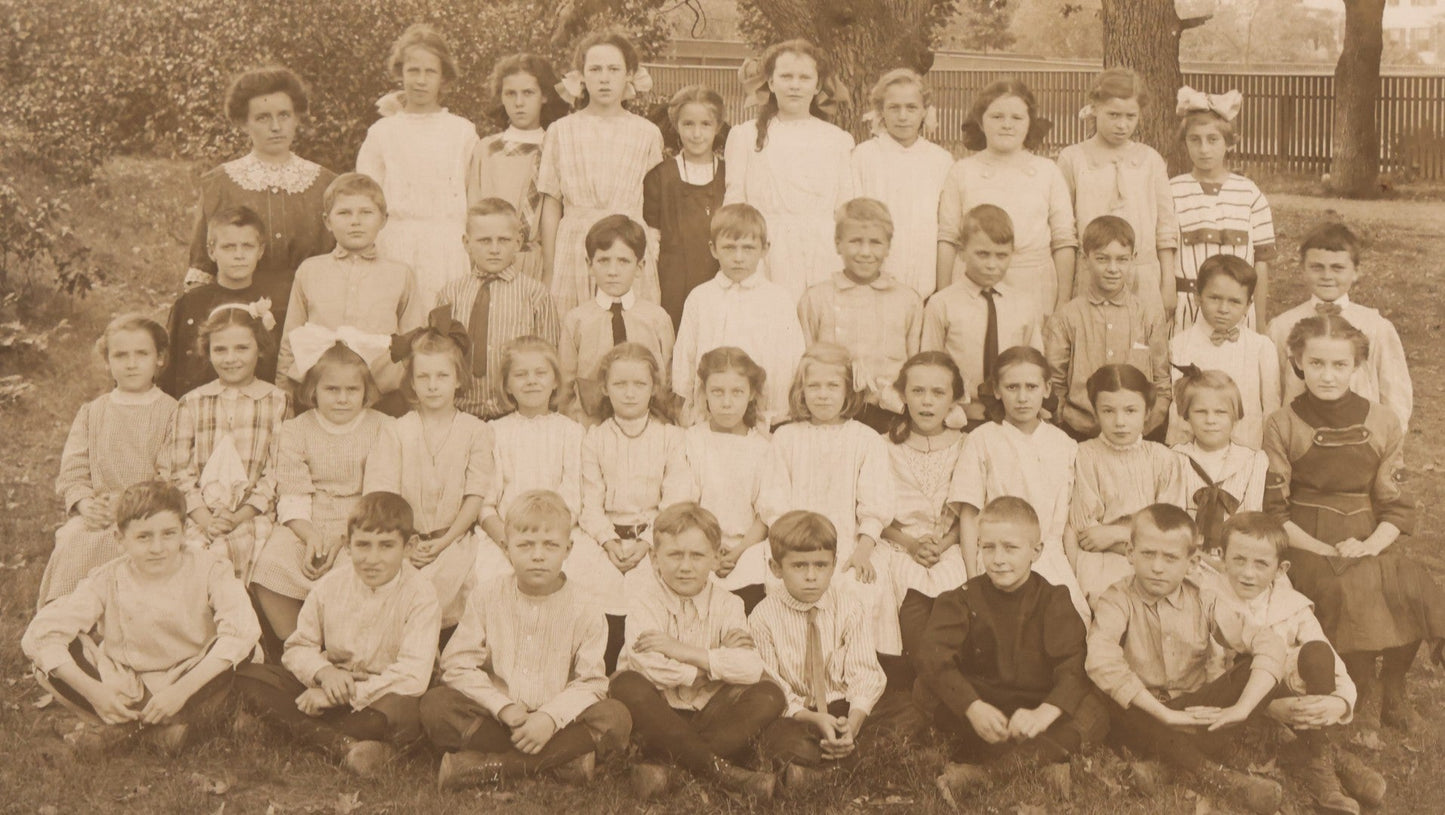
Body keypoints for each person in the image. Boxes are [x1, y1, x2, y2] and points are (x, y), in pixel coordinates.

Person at [1263, 315, 1443, 736]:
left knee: (1412, 585)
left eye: (1339, 365)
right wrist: (1326, 550)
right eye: (1318, 363)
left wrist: (1370, 545)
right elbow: (1276, 512)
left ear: (1357, 365)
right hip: (1306, 539)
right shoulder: (1282, 423)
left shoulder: (1382, 420)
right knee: (1346, 587)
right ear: (1298, 362)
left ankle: (1393, 691)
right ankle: (1360, 691)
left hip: (1366, 533)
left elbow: (1394, 505)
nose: (1328, 375)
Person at [23, 481, 260, 756]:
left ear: (184, 532)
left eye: (169, 534)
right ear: (120, 539)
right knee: (48, 656)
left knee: (240, 652)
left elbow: (242, 631)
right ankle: (152, 731)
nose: (157, 547)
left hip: (190, 677)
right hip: (127, 686)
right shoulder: (108, 578)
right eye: (143, 537)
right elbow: (41, 633)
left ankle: (126, 733)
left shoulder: (210, 568)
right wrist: (93, 692)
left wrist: (180, 691)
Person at [421, 490, 632, 789]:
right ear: (507, 548)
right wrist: (502, 707)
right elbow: (457, 666)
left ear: (568, 549)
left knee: (615, 716)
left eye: (550, 545)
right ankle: (561, 764)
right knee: (435, 704)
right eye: (525, 545)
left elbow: (592, 682)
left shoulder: (586, 606)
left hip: (558, 722)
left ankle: (493, 767)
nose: (537, 555)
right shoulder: (486, 596)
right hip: (499, 720)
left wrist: (549, 717)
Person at [1085, 504, 1287, 815]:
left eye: (1170, 558)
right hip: (1143, 712)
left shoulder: (1203, 598)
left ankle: (1162, 766)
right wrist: (1166, 716)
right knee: (1110, 699)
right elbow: (1101, 658)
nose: (1157, 568)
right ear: (1129, 553)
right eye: (1148, 554)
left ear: (1192, 562)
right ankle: (1218, 778)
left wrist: (1241, 709)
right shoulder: (1117, 599)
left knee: (1257, 668)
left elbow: (1267, 643)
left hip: (1193, 708)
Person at [235, 492, 440, 777]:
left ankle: (291, 729)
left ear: (409, 546)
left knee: (405, 712)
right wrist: (324, 674)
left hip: (379, 694)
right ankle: (341, 744)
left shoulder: (421, 594)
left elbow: (413, 675)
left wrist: (342, 696)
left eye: (386, 546)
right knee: (249, 676)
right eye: (363, 545)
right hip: (329, 684)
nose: (372, 559)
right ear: (347, 544)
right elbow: (297, 647)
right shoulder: (331, 585)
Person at [917, 497, 1105, 806]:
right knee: (925, 687)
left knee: (1094, 704)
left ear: (1037, 551)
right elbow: (933, 656)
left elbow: (1073, 663)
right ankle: (1043, 760)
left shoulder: (1054, 599)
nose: (998, 559)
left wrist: (1044, 713)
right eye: (988, 547)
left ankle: (990, 772)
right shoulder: (961, 599)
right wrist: (972, 707)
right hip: (985, 712)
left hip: (1036, 712)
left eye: (1010, 548)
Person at [608, 503, 784, 802]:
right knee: (625, 684)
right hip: (657, 711)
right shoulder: (643, 602)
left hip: (710, 713)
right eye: (675, 555)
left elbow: (750, 669)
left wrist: (680, 651)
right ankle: (721, 770)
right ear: (654, 558)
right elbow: (650, 667)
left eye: (697, 555)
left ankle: (669, 769)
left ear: (716, 558)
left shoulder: (729, 604)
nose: (685, 566)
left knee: (770, 694)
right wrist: (710, 666)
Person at [1207, 513, 1381, 815]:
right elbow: (1210, 670)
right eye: (1239, 560)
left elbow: (1328, 656)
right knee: (1250, 661)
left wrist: (1339, 703)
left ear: (1280, 569)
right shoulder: (1210, 599)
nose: (1248, 573)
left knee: (1315, 652)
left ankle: (1321, 765)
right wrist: (1265, 706)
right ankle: (1328, 761)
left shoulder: (1290, 604)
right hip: (1238, 700)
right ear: (1222, 558)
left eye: (1261, 564)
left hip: (1294, 698)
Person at [752, 510, 917, 790]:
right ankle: (845, 764)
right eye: (799, 566)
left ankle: (823, 771)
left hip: (844, 705)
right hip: (799, 712)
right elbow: (774, 685)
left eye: (820, 565)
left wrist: (852, 724)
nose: (811, 577)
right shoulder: (762, 617)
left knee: (911, 711)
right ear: (776, 568)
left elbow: (864, 672)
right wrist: (816, 719)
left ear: (834, 564)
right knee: (776, 738)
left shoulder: (850, 607)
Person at [250, 343, 401, 648]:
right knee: (270, 565)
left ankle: (344, 646)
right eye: (332, 389)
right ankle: (297, 645)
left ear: (366, 391)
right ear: (313, 390)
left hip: (362, 522)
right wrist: (310, 536)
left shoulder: (383, 427)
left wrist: (345, 536)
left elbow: (379, 492)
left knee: (355, 569)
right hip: (307, 521)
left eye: (352, 390)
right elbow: (293, 490)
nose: (342, 399)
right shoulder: (296, 429)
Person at [758, 343, 899, 656]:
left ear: (848, 392)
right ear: (801, 390)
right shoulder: (786, 437)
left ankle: (852, 672)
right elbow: (774, 504)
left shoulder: (865, 439)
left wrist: (863, 551)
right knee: (791, 585)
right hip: (795, 544)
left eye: (832, 386)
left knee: (854, 586)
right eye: (814, 386)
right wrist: (793, 549)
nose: (822, 394)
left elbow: (875, 506)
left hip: (851, 543)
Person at [37, 315, 177, 607]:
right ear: (107, 362)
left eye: (142, 354)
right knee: (74, 540)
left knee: (134, 552)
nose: (131, 363)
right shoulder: (93, 412)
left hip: (149, 514)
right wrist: (85, 504)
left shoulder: (172, 412)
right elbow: (73, 471)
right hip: (97, 516)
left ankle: (121, 631)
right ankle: (67, 627)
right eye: (120, 355)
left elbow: (170, 474)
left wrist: (126, 505)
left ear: (159, 358)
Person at [575, 343, 692, 671]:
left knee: (648, 593)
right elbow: (590, 504)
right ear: (605, 388)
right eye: (620, 385)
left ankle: (643, 671)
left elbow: (675, 499)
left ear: (653, 388)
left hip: (654, 537)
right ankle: (599, 670)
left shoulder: (670, 437)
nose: (629, 394)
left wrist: (646, 543)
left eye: (639, 385)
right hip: (606, 537)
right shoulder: (594, 439)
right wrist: (609, 541)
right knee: (591, 587)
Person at [950, 346, 1090, 622]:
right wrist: (972, 578)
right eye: (1012, 387)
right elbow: (969, 514)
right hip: (996, 558)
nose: (1023, 397)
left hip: (1048, 557)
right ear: (998, 390)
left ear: (1047, 388)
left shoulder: (1064, 444)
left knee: (1070, 623)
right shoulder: (982, 439)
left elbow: (1069, 523)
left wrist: (1071, 573)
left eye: (1031, 386)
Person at [539, 31, 664, 315]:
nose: (604, 78)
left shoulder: (646, 133)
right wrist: (548, 268)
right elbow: (551, 203)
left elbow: (655, 204)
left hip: (628, 244)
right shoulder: (561, 131)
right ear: (581, 75)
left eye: (614, 69)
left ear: (629, 74)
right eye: (595, 69)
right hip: (575, 247)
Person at [183, 66, 336, 299]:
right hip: (237, 316)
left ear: (296, 118)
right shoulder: (219, 184)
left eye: (284, 115)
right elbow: (201, 269)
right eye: (263, 117)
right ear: (244, 123)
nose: (276, 127)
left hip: (310, 311)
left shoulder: (326, 184)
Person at [276, 173, 424, 409]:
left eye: (366, 213)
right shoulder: (310, 270)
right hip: (321, 395)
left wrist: (414, 406)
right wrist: (284, 399)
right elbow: (291, 340)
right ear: (327, 221)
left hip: (381, 395)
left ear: (383, 220)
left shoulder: (400, 274)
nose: (355, 221)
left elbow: (413, 345)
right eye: (344, 213)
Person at [723, 38, 856, 301]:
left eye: (804, 78)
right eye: (786, 76)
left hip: (822, 253)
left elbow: (845, 208)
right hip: (765, 254)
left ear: (817, 85)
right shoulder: (744, 136)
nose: (795, 85)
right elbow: (734, 206)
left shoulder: (837, 139)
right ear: (771, 83)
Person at [356, 23, 478, 305]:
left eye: (430, 72)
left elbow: (474, 195)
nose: (421, 80)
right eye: (413, 71)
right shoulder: (382, 132)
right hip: (394, 244)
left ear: (444, 78)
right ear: (401, 74)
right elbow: (366, 196)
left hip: (448, 245)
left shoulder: (462, 131)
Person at [937, 79, 1076, 318]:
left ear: (1030, 122)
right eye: (997, 117)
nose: (1007, 125)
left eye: (1017, 118)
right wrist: (943, 296)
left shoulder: (1047, 171)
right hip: (973, 284)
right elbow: (948, 238)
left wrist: (1063, 301)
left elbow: (1063, 240)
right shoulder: (962, 171)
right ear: (980, 121)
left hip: (1033, 284)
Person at [172, 304, 291, 580]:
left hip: (251, 516)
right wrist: (205, 519)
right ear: (208, 351)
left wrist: (238, 517)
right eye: (220, 350)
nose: (231, 358)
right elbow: (178, 471)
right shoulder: (192, 402)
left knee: (226, 554)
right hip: (198, 515)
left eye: (241, 348)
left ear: (259, 348)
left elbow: (277, 470)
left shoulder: (276, 401)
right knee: (187, 557)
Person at [391, 326, 494, 630]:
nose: (433, 386)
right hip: (405, 542)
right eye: (423, 377)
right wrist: (407, 543)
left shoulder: (476, 431)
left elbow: (475, 495)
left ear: (458, 378)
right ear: (412, 381)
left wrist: (444, 542)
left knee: (457, 582)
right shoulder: (397, 431)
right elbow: (384, 495)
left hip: (453, 541)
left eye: (442, 376)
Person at [1266, 221, 1412, 430]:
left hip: (1361, 437)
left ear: (1355, 271)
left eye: (1338, 268)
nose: (1327, 276)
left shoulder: (1377, 327)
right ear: (1303, 269)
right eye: (1317, 267)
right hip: (1299, 440)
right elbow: (1273, 392)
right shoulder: (1281, 327)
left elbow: (1395, 394)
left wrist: (1391, 443)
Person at [671, 203, 804, 428]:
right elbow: (686, 354)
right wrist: (687, 407)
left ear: (764, 249)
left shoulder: (779, 298)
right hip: (712, 413)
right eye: (729, 248)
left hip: (765, 415)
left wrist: (781, 413)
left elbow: (792, 359)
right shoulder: (701, 297)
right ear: (714, 249)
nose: (739, 257)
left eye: (748, 248)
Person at [797, 198, 923, 434]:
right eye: (855, 241)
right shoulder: (816, 299)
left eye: (875, 242)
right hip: (834, 415)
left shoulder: (908, 300)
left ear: (888, 246)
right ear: (838, 244)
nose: (865, 252)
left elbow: (916, 364)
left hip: (891, 416)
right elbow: (806, 363)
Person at [1057, 68, 1177, 316]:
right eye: (1113, 114)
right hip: (1092, 275)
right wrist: (1065, 290)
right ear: (1094, 108)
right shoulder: (1073, 159)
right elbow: (1064, 230)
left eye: (1130, 116)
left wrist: (1168, 283)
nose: (1122, 125)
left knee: (1140, 347)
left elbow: (1165, 227)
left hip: (1142, 277)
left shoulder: (1150, 160)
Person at [1067, 364, 1187, 602]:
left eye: (1131, 411)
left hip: (1154, 557)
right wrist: (1123, 541)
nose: (1120, 421)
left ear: (1147, 411)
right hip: (1100, 561)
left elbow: (1170, 526)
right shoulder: (1084, 455)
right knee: (1110, 600)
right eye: (1108, 411)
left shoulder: (1164, 459)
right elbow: (1088, 533)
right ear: (1096, 412)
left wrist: (1117, 533)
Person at [1045, 215, 1171, 442]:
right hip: (1080, 432)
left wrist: (1146, 425)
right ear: (1085, 259)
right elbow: (1055, 382)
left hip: (1138, 434)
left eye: (1122, 260)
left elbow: (1162, 381)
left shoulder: (1148, 314)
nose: (1112, 268)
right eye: (1102, 259)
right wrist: (1062, 420)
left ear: (1133, 259)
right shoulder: (1068, 316)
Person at [434, 198, 560, 421]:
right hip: (460, 414)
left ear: (518, 241)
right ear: (466, 243)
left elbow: (548, 359)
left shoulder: (536, 295)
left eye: (503, 240)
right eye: (484, 240)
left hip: (516, 415)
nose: (494, 249)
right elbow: (440, 358)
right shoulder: (449, 294)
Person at [475, 337, 584, 583]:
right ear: (507, 386)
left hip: (556, 533)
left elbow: (573, 497)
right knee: (490, 575)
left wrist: (546, 539)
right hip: (505, 535)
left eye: (541, 373)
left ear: (555, 381)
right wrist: (507, 539)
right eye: (521, 374)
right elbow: (485, 502)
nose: (531, 381)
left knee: (576, 573)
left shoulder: (571, 432)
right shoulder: (493, 432)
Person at [922, 204, 1042, 427]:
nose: (992, 265)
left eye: (1001, 256)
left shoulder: (1024, 305)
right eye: (982, 254)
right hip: (959, 418)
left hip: (1013, 418)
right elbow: (930, 368)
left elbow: (1036, 366)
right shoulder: (942, 304)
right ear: (961, 251)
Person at [883, 353, 968, 662]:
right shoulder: (882, 447)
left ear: (954, 399)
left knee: (955, 603)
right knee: (912, 606)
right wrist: (911, 544)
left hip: (953, 544)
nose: (927, 402)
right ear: (903, 395)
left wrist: (942, 544)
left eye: (938, 393)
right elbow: (873, 512)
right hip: (899, 544)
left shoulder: (967, 445)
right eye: (917, 391)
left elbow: (972, 512)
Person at [1171, 85, 1275, 333]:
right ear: (1184, 143)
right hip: (1185, 312)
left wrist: (1258, 322)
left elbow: (1261, 264)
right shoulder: (1171, 192)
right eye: (1194, 140)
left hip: (1237, 314)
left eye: (1213, 140)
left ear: (1230, 143)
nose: (1204, 149)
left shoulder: (1250, 194)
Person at [850, 68, 954, 299]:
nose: (903, 116)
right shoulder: (864, 156)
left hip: (925, 282)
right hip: (873, 280)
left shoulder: (941, 160)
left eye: (911, 107)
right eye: (894, 108)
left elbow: (946, 227)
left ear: (924, 111)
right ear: (880, 112)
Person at [559, 215, 674, 424]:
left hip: (647, 428)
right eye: (603, 261)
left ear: (640, 267)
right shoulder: (576, 321)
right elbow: (565, 389)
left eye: (623, 261)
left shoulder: (657, 319)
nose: (613, 271)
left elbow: (667, 383)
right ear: (589, 265)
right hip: (590, 428)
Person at [684, 347, 772, 613]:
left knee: (751, 593)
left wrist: (740, 551)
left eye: (737, 392)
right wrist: (710, 548)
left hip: (747, 547)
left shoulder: (763, 448)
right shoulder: (691, 441)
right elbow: (686, 503)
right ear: (704, 394)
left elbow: (766, 512)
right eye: (717, 392)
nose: (726, 402)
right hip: (699, 543)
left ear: (751, 394)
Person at [467, 53, 569, 281]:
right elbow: (474, 208)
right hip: (491, 259)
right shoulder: (487, 149)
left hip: (539, 261)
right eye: (510, 94)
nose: (519, 103)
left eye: (528, 93)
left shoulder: (556, 147)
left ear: (544, 96)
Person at [163, 206, 283, 397]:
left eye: (247, 246)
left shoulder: (273, 304)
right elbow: (172, 367)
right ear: (211, 251)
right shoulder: (189, 303)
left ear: (260, 251)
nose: (239, 255)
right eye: (228, 247)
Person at [1167, 254, 1280, 448]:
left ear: (1248, 306)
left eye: (1235, 302)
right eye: (1214, 298)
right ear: (1197, 298)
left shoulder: (1261, 347)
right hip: (1189, 454)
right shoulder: (1178, 345)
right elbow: (1176, 411)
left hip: (1246, 452)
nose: (1223, 309)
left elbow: (1271, 409)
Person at [644, 84, 728, 328]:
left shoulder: (728, 174)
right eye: (688, 124)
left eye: (705, 124)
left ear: (718, 127)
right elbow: (652, 236)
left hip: (718, 276)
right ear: (676, 126)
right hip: (672, 282)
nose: (696, 134)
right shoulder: (660, 176)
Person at [1170, 369, 1268, 559]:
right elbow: (1172, 519)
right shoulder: (1175, 458)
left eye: (1220, 412)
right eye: (1200, 412)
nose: (1210, 420)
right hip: (1185, 555)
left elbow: (1252, 519)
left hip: (1236, 557)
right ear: (1186, 415)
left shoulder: (1253, 461)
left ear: (1235, 416)